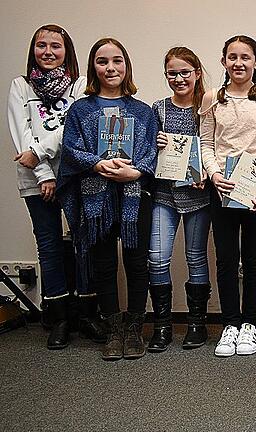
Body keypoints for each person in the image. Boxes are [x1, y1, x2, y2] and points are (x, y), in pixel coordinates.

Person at [57, 37, 157, 360]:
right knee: (104, 264)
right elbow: (70, 149)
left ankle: (134, 330)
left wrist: (136, 172)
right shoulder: (80, 110)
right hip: (95, 198)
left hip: (133, 197)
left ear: (126, 65)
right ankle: (113, 329)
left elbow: (152, 152)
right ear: (93, 68)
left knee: (136, 263)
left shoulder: (143, 111)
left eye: (117, 61)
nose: (110, 67)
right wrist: (95, 163)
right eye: (102, 61)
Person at [7, 24, 103, 349]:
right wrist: (44, 172)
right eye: (41, 45)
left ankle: (88, 312)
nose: (48, 51)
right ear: (33, 49)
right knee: (48, 245)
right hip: (36, 179)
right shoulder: (20, 86)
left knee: (84, 241)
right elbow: (21, 133)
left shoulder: (78, 85)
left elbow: (71, 128)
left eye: (55, 46)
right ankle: (59, 316)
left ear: (67, 51)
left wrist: (40, 154)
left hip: (74, 174)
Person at [200, 35, 256, 357]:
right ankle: (229, 324)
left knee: (253, 258)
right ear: (223, 62)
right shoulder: (211, 98)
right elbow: (206, 142)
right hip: (221, 187)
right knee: (225, 259)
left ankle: (250, 324)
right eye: (232, 57)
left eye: (245, 57)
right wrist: (214, 174)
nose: (238, 63)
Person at [147, 47, 211, 352]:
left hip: (198, 195)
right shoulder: (157, 109)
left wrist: (207, 174)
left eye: (185, 71)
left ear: (197, 73)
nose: (179, 78)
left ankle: (197, 324)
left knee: (195, 257)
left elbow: (216, 148)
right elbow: (143, 152)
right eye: (172, 73)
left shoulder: (207, 107)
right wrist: (154, 142)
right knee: (157, 257)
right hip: (164, 194)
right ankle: (162, 325)